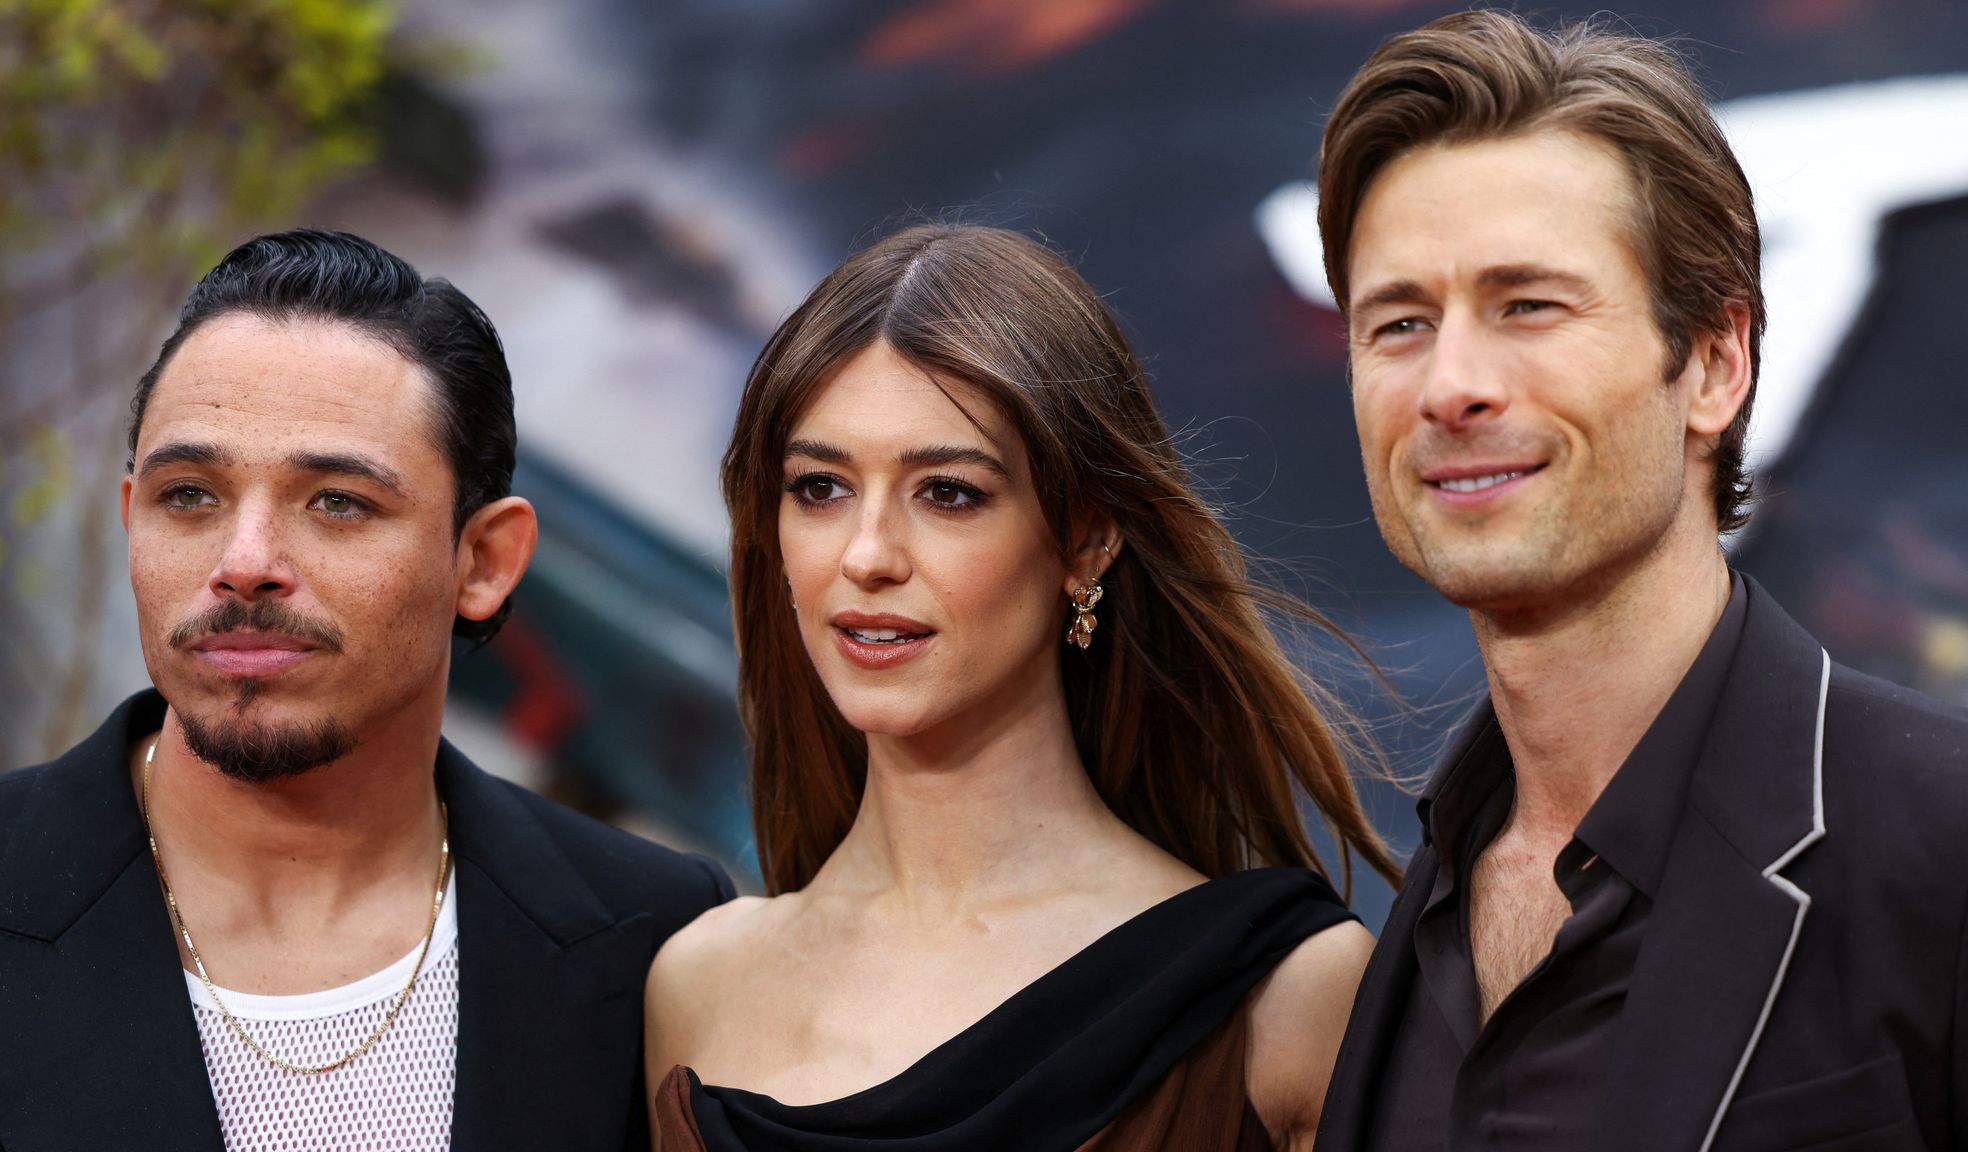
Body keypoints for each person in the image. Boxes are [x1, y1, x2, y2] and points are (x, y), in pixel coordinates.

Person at [1309, 12, 1968, 1151]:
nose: (1448, 385)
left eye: (1529, 305)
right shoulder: (1405, 905)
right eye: (1399, 322)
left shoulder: (1940, 842)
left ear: (1713, 365)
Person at [0, 229, 733, 1152]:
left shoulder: (656, 939)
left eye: (338, 502)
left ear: (485, 560)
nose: (245, 564)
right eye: (188, 495)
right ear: (129, 519)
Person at [641, 223, 1398, 1152]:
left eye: (948, 493)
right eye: (820, 488)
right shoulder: (694, 984)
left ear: (1086, 539)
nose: (867, 555)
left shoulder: (1287, 996)